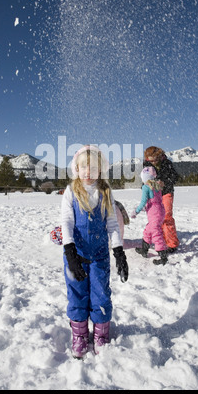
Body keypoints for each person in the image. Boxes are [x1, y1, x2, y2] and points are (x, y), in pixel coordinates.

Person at [61, 145, 128, 358]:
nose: (88, 172)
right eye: (83, 167)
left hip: (99, 256)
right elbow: (66, 222)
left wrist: (119, 252)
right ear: (76, 169)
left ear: (101, 170)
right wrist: (70, 252)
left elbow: (112, 225)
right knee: (77, 294)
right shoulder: (71, 191)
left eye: (93, 168)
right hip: (76, 256)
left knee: (101, 294)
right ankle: (79, 336)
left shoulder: (105, 191)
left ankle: (100, 336)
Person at [143, 146, 179, 253]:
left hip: (166, 192)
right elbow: (143, 179)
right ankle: (153, 240)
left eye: (155, 160)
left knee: (167, 216)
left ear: (159, 156)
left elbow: (175, 177)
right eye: (150, 160)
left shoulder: (167, 164)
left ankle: (172, 244)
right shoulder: (146, 165)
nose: (153, 162)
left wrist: (164, 182)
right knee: (155, 218)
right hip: (153, 194)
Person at [131, 166, 168, 266]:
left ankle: (163, 256)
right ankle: (144, 249)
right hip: (160, 211)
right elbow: (154, 201)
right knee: (148, 230)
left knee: (156, 233)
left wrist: (136, 211)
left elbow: (143, 201)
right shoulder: (156, 185)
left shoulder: (145, 187)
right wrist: (146, 208)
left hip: (154, 213)